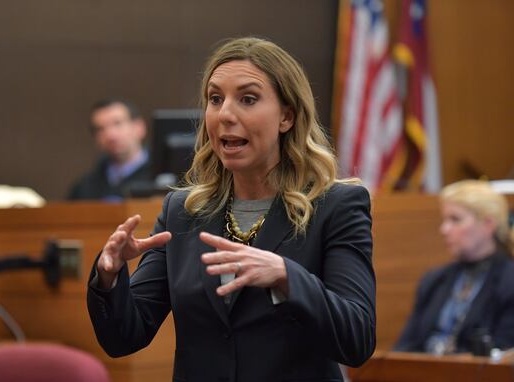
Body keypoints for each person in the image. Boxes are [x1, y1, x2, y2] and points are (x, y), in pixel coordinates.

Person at [87, 37, 376, 381]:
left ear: (287, 116)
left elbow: (357, 339)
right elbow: (125, 337)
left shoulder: (336, 206)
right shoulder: (183, 210)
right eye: (215, 99)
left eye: (248, 99)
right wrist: (109, 275)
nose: (225, 114)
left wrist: (287, 276)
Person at [395, 180, 514, 355]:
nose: (444, 229)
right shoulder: (433, 280)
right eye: (444, 219)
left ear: (488, 225)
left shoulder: (509, 282)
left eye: (455, 219)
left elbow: (502, 356)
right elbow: (404, 348)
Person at [67, 99, 151, 201]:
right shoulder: (85, 187)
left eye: (117, 123)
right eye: (100, 129)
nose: (110, 135)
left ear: (139, 127)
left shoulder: (166, 181)